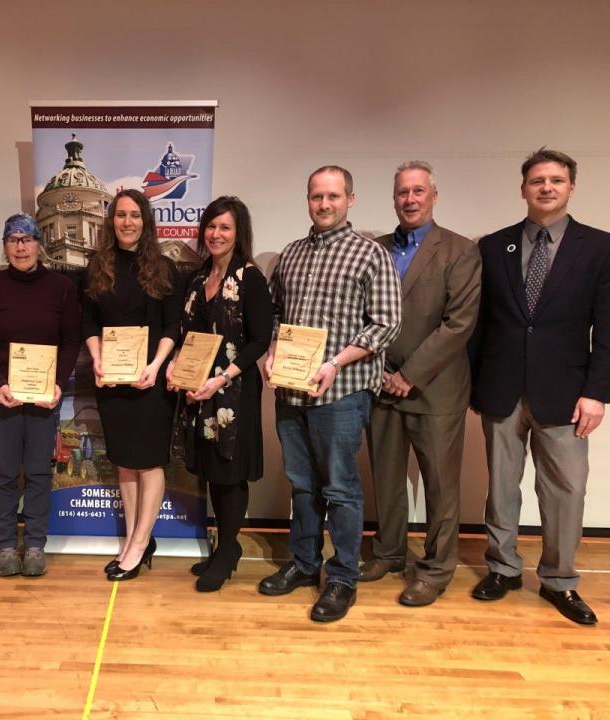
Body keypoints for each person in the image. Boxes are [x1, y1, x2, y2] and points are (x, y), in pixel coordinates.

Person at [469, 148, 610, 625]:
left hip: (567, 393)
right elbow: (480, 324)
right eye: (537, 180)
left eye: (556, 180)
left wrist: (597, 392)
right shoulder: (494, 246)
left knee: (566, 491)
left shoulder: (602, 247)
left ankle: (559, 580)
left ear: (571, 188)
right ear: (523, 189)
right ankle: (502, 568)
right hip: (501, 388)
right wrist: (475, 384)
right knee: (501, 488)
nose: (546, 187)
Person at [259, 166, 402, 623]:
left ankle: (342, 579)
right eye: (317, 196)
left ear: (350, 200)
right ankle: (304, 565)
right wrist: (272, 349)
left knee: (340, 489)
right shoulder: (291, 255)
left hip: (340, 392)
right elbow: (276, 312)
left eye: (333, 196)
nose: (324, 204)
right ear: (308, 200)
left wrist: (334, 362)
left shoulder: (370, 255)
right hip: (292, 393)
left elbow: (385, 323)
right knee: (301, 485)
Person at [360, 161, 481, 606]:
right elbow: (362, 315)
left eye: (418, 191)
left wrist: (409, 374)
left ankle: (435, 569)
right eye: (402, 193)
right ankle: (389, 553)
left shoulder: (460, 251)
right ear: (394, 198)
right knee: (386, 479)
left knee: (440, 485)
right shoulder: (373, 248)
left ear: (433, 195)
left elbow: (459, 324)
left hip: (435, 389)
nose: (409, 200)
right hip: (380, 384)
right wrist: (384, 373)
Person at [0, 213, 80, 578]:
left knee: (37, 472)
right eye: (13, 239)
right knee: (2, 473)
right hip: (1, 395)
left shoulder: (61, 287)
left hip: (44, 396)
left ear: (39, 244)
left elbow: (70, 342)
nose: (20, 246)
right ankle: (3, 544)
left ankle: (34, 545)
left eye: (27, 238)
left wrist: (59, 384)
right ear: (4, 246)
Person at [168, 196, 271, 592]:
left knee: (230, 473)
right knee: (212, 469)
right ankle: (222, 546)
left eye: (224, 227)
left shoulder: (251, 278)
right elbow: (187, 335)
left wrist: (221, 377)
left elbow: (261, 339)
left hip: (235, 392)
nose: (216, 234)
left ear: (237, 232)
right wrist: (180, 367)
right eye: (211, 226)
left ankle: (228, 550)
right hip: (200, 392)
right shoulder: (197, 279)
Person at [81, 189, 183, 581]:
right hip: (112, 380)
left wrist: (157, 365)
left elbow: (173, 324)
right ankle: (134, 538)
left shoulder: (164, 268)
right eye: (121, 215)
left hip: (150, 380)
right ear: (112, 221)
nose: (127, 222)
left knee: (150, 461)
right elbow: (88, 321)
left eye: (135, 215)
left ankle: (140, 543)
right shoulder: (97, 267)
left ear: (146, 221)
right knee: (125, 462)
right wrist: (97, 355)